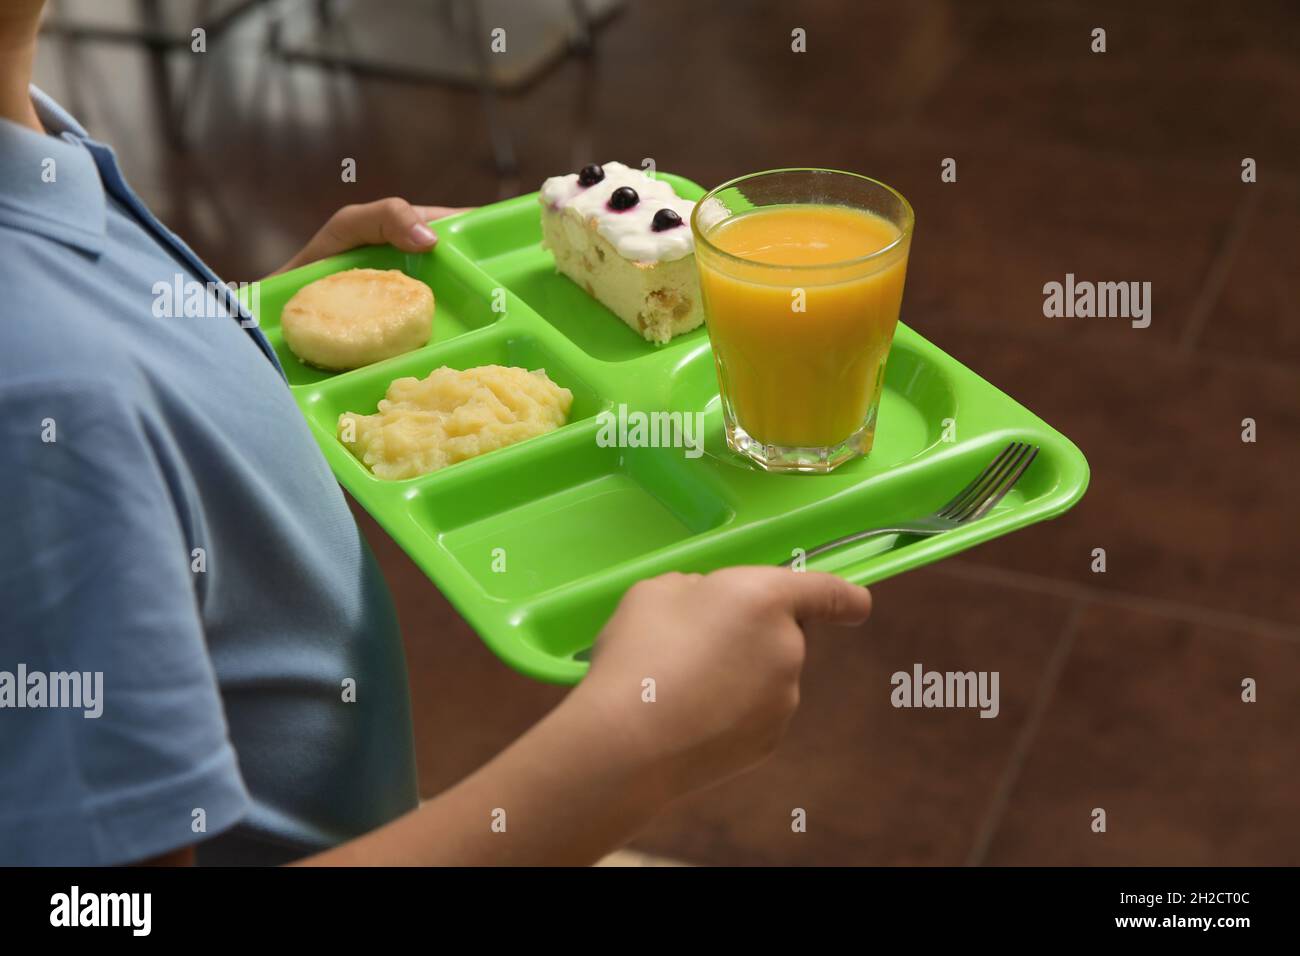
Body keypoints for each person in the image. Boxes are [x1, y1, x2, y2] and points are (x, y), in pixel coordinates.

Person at [0, 0, 872, 866]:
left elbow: (124, 396)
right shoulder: (48, 392)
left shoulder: (33, 136)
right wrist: (629, 752)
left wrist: (238, 337)